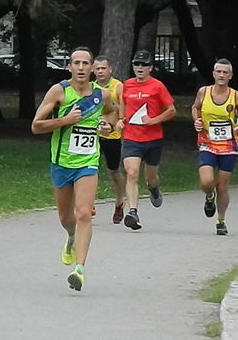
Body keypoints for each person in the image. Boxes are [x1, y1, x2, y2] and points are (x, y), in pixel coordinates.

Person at [31, 46, 118, 292]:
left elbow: (112, 115)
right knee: (66, 219)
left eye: (85, 63)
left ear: (92, 68)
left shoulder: (103, 95)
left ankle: (79, 270)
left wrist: (107, 127)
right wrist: (65, 120)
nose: (81, 68)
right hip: (61, 163)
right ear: (69, 67)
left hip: (88, 163)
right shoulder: (59, 91)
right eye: (76, 63)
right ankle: (70, 237)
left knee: (83, 214)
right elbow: (36, 126)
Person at [191, 58, 238, 235]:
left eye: (225, 72)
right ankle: (209, 195)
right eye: (218, 72)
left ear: (230, 76)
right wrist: (196, 121)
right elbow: (195, 108)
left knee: (222, 185)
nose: (221, 75)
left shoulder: (236, 96)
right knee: (206, 182)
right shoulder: (203, 92)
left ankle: (221, 221)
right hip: (207, 142)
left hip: (229, 145)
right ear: (213, 74)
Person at [117, 50, 177, 230]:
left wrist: (153, 120)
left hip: (153, 139)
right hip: (131, 138)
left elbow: (172, 110)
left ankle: (154, 189)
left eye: (144, 65)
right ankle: (132, 212)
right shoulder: (127, 85)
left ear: (150, 67)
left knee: (150, 177)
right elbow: (123, 103)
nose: (140, 68)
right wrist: (121, 119)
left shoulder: (157, 86)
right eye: (136, 64)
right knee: (132, 173)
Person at [93, 55, 125, 224]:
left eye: (103, 68)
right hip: (93, 133)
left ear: (110, 69)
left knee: (114, 171)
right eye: (97, 68)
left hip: (112, 134)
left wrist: (119, 120)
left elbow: (123, 109)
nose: (100, 71)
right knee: (89, 168)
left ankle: (119, 202)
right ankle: (89, 203)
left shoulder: (118, 86)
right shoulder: (89, 87)